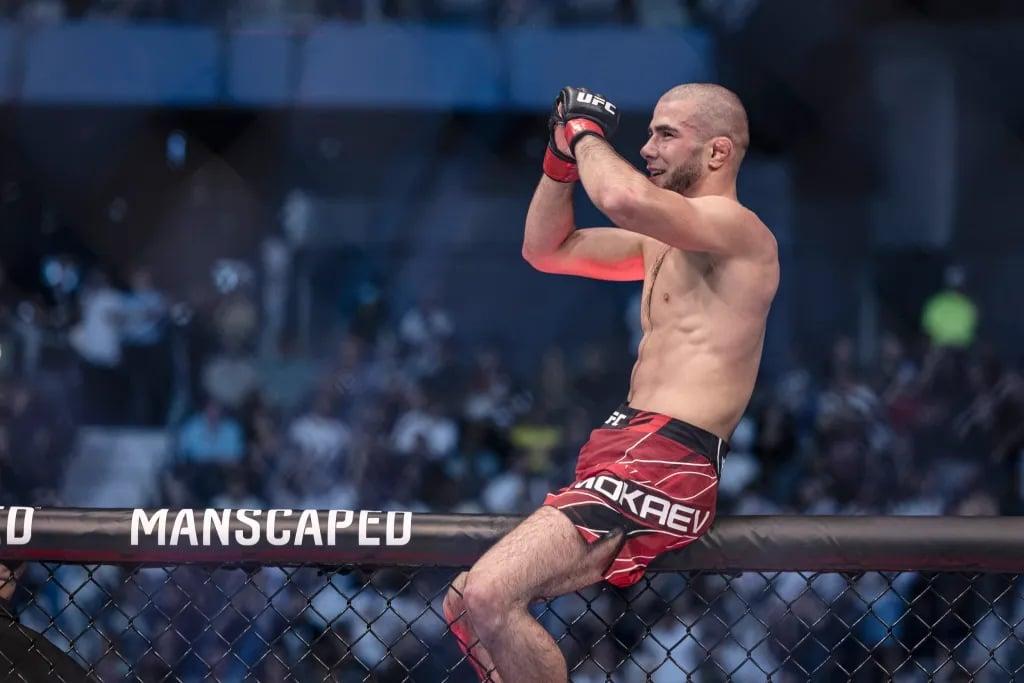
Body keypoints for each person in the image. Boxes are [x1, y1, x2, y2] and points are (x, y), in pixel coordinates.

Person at [443, 84, 779, 682]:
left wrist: (584, 133)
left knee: (489, 594)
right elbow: (547, 249)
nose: (647, 146)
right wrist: (558, 159)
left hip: (668, 458)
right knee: (465, 604)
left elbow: (623, 197)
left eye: (666, 134)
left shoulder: (740, 232)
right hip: (623, 446)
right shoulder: (663, 243)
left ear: (718, 153)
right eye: (649, 132)